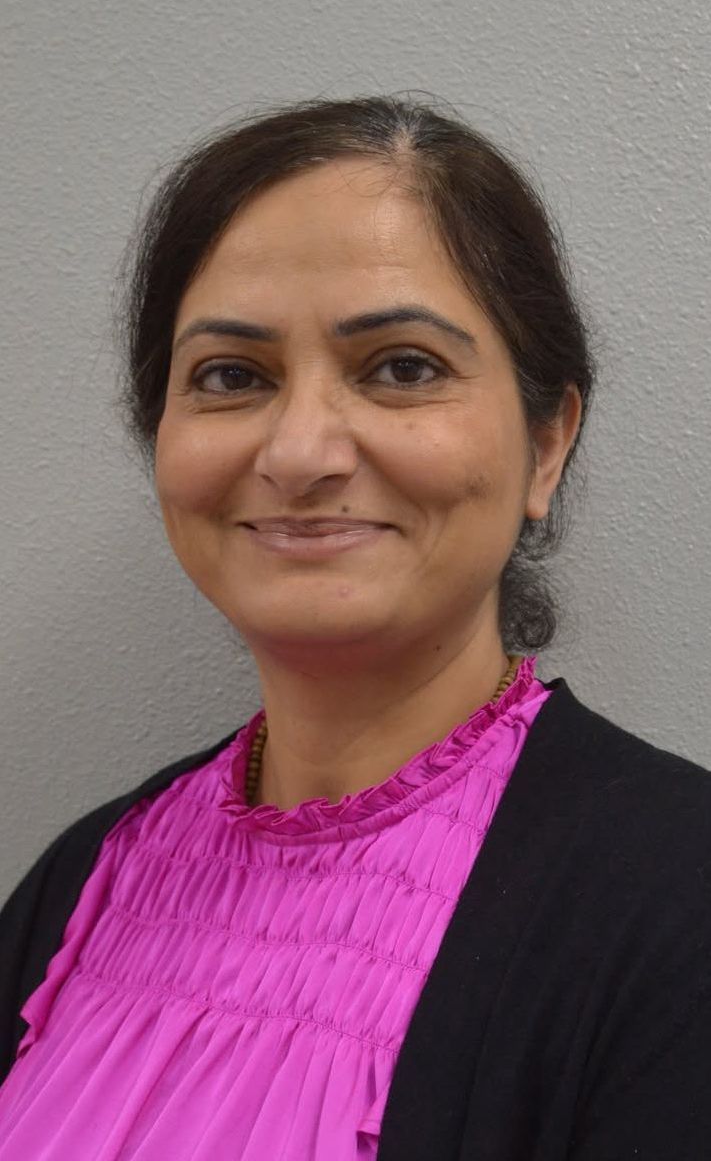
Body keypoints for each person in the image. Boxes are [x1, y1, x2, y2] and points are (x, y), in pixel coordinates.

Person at [0, 95, 709, 1161]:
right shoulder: (83, 878)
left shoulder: (679, 901)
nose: (299, 451)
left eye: (402, 367)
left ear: (547, 443)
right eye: (233, 376)